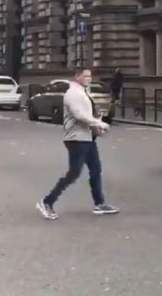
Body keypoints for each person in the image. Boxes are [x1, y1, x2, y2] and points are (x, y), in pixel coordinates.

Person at [37, 69, 119, 220]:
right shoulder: (73, 93)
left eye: (90, 76)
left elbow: (88, 114)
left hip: (87, 137)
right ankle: (46, 202)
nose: (89, 78)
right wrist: (99, 123)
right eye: (85, 76)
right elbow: (79, 115)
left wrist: (96, 128)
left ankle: (99, 203)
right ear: (77, 76)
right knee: (73, 173)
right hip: (76, 139)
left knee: (96, 170)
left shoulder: (83, 91)